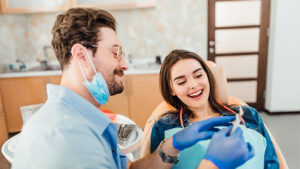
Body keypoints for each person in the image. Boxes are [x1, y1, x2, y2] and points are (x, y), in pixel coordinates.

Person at [12, 8, 253, 169]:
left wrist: (172, 146)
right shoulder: (68, 139)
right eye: (115, 52)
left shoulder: (83, 120)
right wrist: (212, 164)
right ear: (81, 55)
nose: (124, 64)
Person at [144, 49, 282, 169]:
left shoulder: (248, 115)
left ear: (208, 77)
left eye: (198, 75)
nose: (193, 85)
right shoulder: (163, 126)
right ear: (172, 89)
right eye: (181, 82)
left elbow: (271, 164)